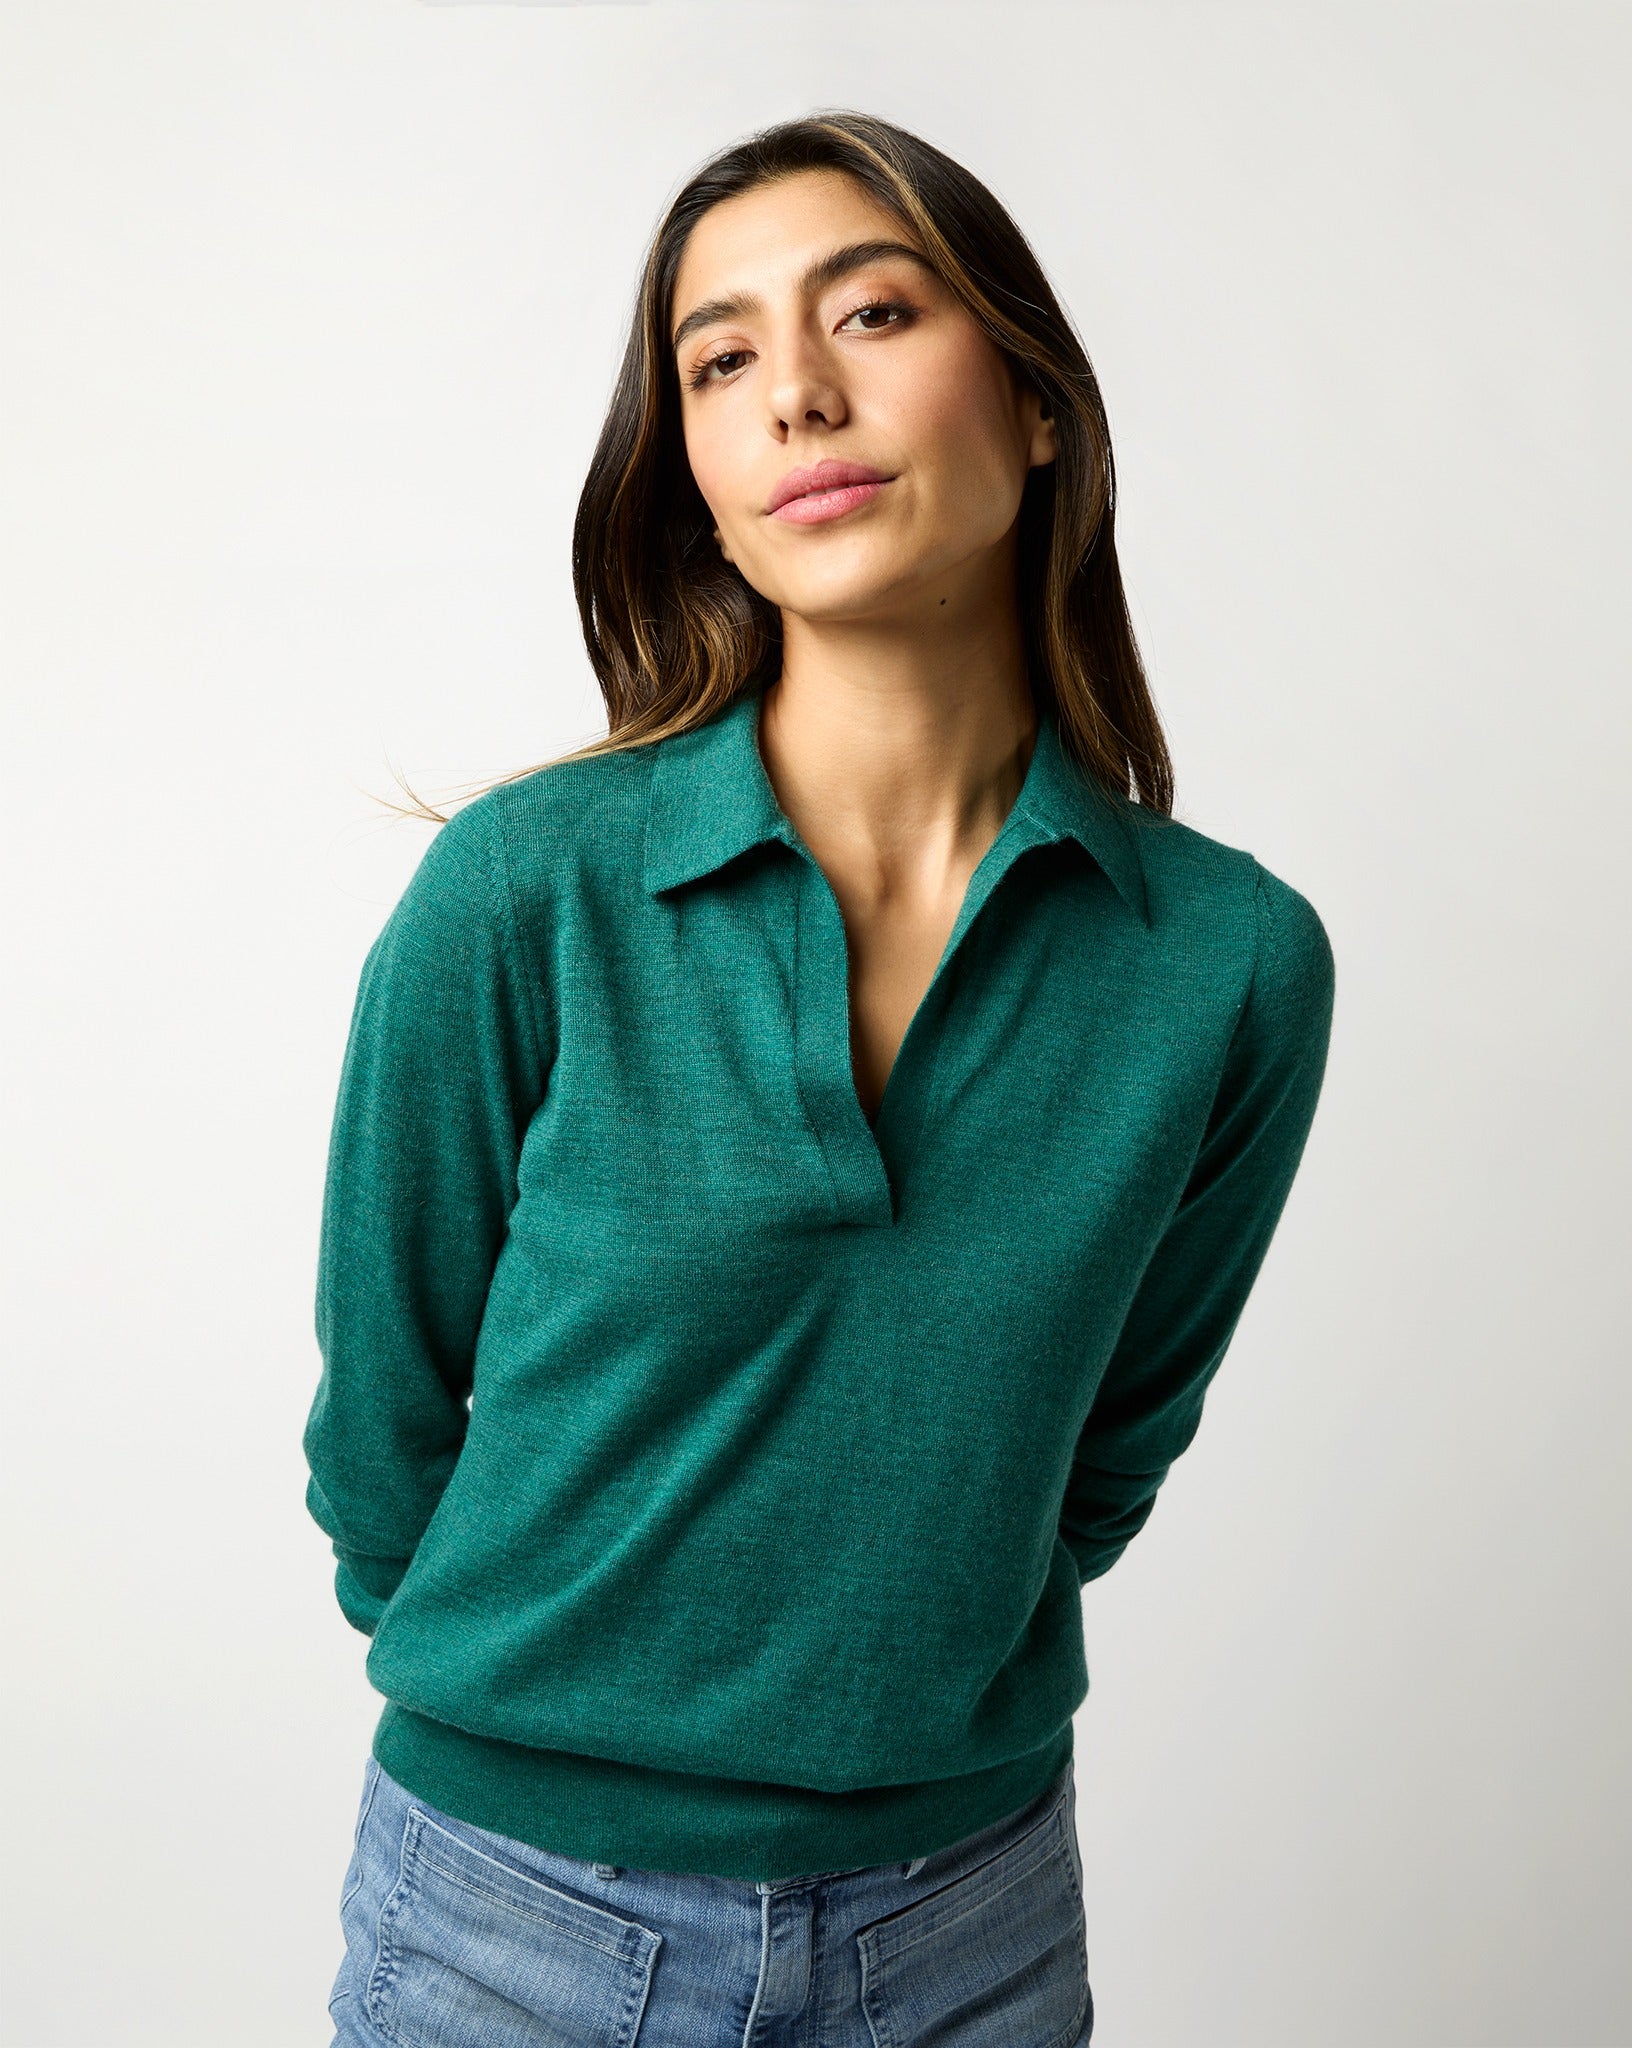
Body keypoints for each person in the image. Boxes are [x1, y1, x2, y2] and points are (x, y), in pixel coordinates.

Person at [308, 108, 1335, 2047]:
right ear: (693, 474)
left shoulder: (1230, 969)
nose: (795, 391)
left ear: (1035, 407)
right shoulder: (523, 895)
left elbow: (1099, 1453)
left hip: (969, 1934)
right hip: (507, 1924)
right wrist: (579, 1735)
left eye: (871, 310)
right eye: (719, 357)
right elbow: (382, 1436)